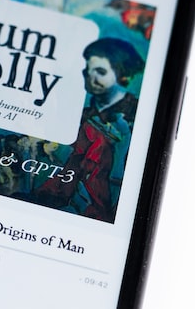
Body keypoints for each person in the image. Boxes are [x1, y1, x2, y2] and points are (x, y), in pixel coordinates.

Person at [36, 37, 145, 221]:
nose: (91, 78)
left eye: (101, 72)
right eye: (87, 71)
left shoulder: (136, 117)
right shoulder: (83, 115)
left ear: (122, 74)